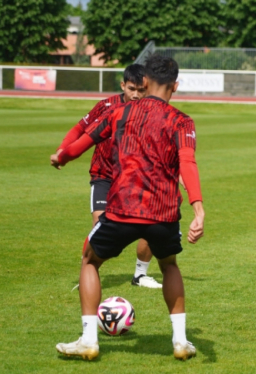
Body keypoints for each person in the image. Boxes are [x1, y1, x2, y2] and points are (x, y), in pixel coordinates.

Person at [51, 54, 205, 361]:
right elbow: (187, 163)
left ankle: (89, 340)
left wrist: (62, 157)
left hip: (121, 209)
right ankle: (179, 342)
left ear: (144, 81)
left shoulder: (118, 112)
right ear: (175, 85)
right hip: (163, 214)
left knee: (90, 261)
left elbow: (83, 142)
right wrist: (198, 210)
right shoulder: (182, 121)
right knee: (169, 265)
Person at [55, 64, 162, 289]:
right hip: (104, 175)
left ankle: (140, 275)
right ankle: (88, 272)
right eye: (132, 89)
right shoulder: (106, 106)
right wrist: (62, 150)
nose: (136, 95)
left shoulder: (152, 111)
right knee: (100, 226)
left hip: (135, 179)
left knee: (151, 223)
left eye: (141, 90)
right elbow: (78, 130)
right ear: (123, 85)